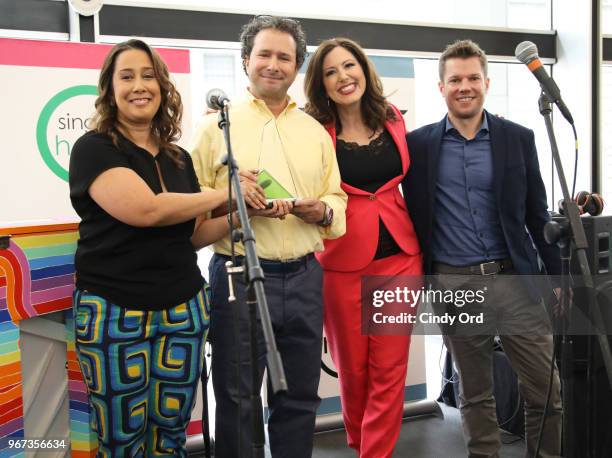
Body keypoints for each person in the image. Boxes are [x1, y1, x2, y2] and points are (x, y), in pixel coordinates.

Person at [68, 39, 259, 457]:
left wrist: (244, 211)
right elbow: (147, 210)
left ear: (163, 86)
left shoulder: (178, 159)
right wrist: (222, 191)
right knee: (122, 438)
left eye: (149, 75)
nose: (140, 86)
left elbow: (190, 236)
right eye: (127, 76)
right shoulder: (93, 149)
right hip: (114, 313)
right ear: (110, 89)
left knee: (170, 434)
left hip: (183, 312)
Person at [189, 16, 347, 458]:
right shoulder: (212, 127)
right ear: (245, 62)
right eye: (265, 54)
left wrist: (321, 208)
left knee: (298, 397)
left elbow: (335, 198)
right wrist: (231, 196)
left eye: (285, 57)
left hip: (304, 277)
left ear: (297, 67)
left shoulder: (315, 132)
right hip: (237, 274)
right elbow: (186, 202)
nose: (274, 65)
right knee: (238, 398)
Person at [402, 39, 562, 457]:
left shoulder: (518, 138)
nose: (464, 86)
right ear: (441, 88)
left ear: (487, 82)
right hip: (454, 283)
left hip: (513, 279)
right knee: (475, 396)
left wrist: (556, 275)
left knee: (546, 393)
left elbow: (536, 214)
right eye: (455, 79)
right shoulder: (418, 145)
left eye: (473, 77)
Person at [303, 37, 422, 458]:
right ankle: (360, 446)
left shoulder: (391, 117)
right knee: (353, 373)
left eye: (349, 66)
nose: (343, 77)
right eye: (331, 71)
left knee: (389, 371)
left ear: (363, 69)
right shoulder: (313, 130)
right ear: (321, 83)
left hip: (400, 259)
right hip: (341, 263)